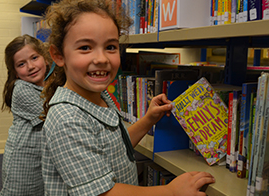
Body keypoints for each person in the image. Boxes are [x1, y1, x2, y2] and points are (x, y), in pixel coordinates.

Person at [40, 0, 215, 195]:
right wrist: (171, 192)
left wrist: (148, 119)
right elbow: (103, 193)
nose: (102, 59)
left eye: (111, 47)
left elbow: (114, 148)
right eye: (85, 48)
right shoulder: (67, 118)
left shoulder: (100, 96)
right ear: (58, 55)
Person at [0, 34, 51, 196]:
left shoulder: (50, 85)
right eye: (21, 64)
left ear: (46, 59)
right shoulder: (22, 89)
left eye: (34, 58)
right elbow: (54, 114)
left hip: (41, 159)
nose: (30, 66)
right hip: (23, 162)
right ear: (15, 72)